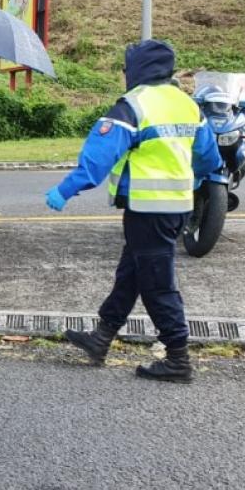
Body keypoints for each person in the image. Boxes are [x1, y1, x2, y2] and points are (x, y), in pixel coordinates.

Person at [45, 39, 221, 383]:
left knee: (157, 284)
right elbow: (209, 158)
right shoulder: (187, 105)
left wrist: (64, 190)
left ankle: (178, 358)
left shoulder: (133, 106)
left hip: (147, 210)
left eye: (127, 67)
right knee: (131, 274)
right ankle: (101, 338)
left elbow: (98, 158)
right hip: (177, 208)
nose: (124, 73)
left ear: (139, 69)